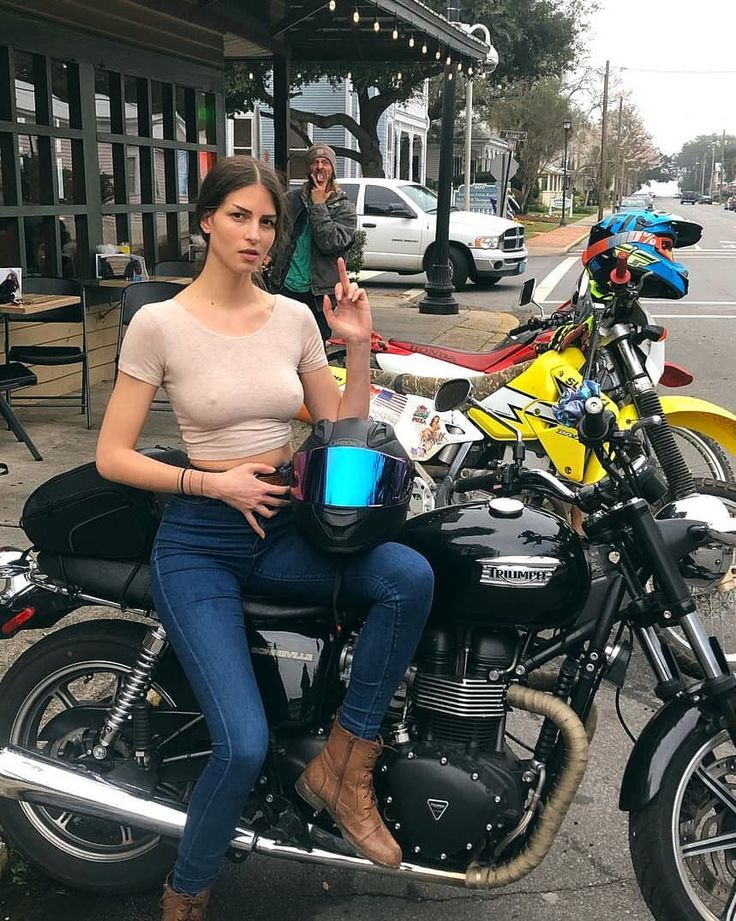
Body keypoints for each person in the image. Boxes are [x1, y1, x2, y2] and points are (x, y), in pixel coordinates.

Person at [95, 155, 433, 921]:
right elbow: (112, 454)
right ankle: (186, 893)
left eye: (269, 220)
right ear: (206, 221)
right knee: (241, 744)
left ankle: (345, 765)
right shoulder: (160, 323)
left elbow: (339, 428)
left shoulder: (291, 317)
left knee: (408, 576)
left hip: (285, 527)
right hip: (201, 541)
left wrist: (355, 345)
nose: (255, 233)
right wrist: (212, 482)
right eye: (239, 215)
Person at [271, 143, 357, 341]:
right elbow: (276, 233)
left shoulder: (344, 208)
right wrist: (268, 255)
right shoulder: (291, 200)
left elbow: (331, 243)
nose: (319, 166)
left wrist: (318, 205)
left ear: (332, 170)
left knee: (315, 349)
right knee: (283, 344)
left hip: (319, 294)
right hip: (286, 287)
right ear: (308, 169)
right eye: (315, 162)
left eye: (325, 163)